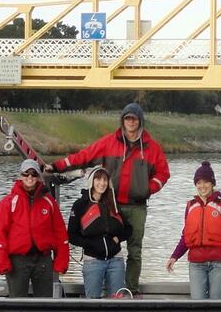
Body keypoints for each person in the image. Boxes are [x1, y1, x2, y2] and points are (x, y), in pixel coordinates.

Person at [47, 102, 170, 293]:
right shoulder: (108, 142)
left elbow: (163, 173)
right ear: (122, 121)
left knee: (135, 251)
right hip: (111, 204)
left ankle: (130, 289)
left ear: (140, 121)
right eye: (127, 118)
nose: (130, 122)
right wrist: (56, 166)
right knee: (106, 244)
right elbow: (84, 156)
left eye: (134, 118)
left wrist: (148, 188)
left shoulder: (152, 147)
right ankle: (107, 289)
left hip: (137, 206)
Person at [166, 161, 221, 299]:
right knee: (197, 301)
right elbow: (185, 237)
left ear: (212, 183)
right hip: (196, 264)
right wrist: (174, 257)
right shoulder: (190, 206)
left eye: (205, 182)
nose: (202, 186)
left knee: (215, 302)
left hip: (218, 263)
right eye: (198, 182)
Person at [0, 159, 71, 298]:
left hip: (43, 260)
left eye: (34, 174)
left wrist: (61, 261)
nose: (30, 177)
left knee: (44, 304)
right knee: (17, 303)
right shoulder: (7, 203)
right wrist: (3, 262)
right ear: (20, 176)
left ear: (38, 177)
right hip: (17, 261)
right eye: (26, 174)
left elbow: (60, 234)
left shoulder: (49, 202)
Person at [67, 166, 133, 298]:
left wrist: (118, 238)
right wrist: (90, 244)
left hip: (116, 260)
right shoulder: (80, 205)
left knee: (117, 302)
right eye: (98, 179)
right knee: (92, 302)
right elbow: (72, 235)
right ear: (92, 180)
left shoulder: (112, 203)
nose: (101, 183)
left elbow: (128, 229)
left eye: (105, 180)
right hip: (93, 261)